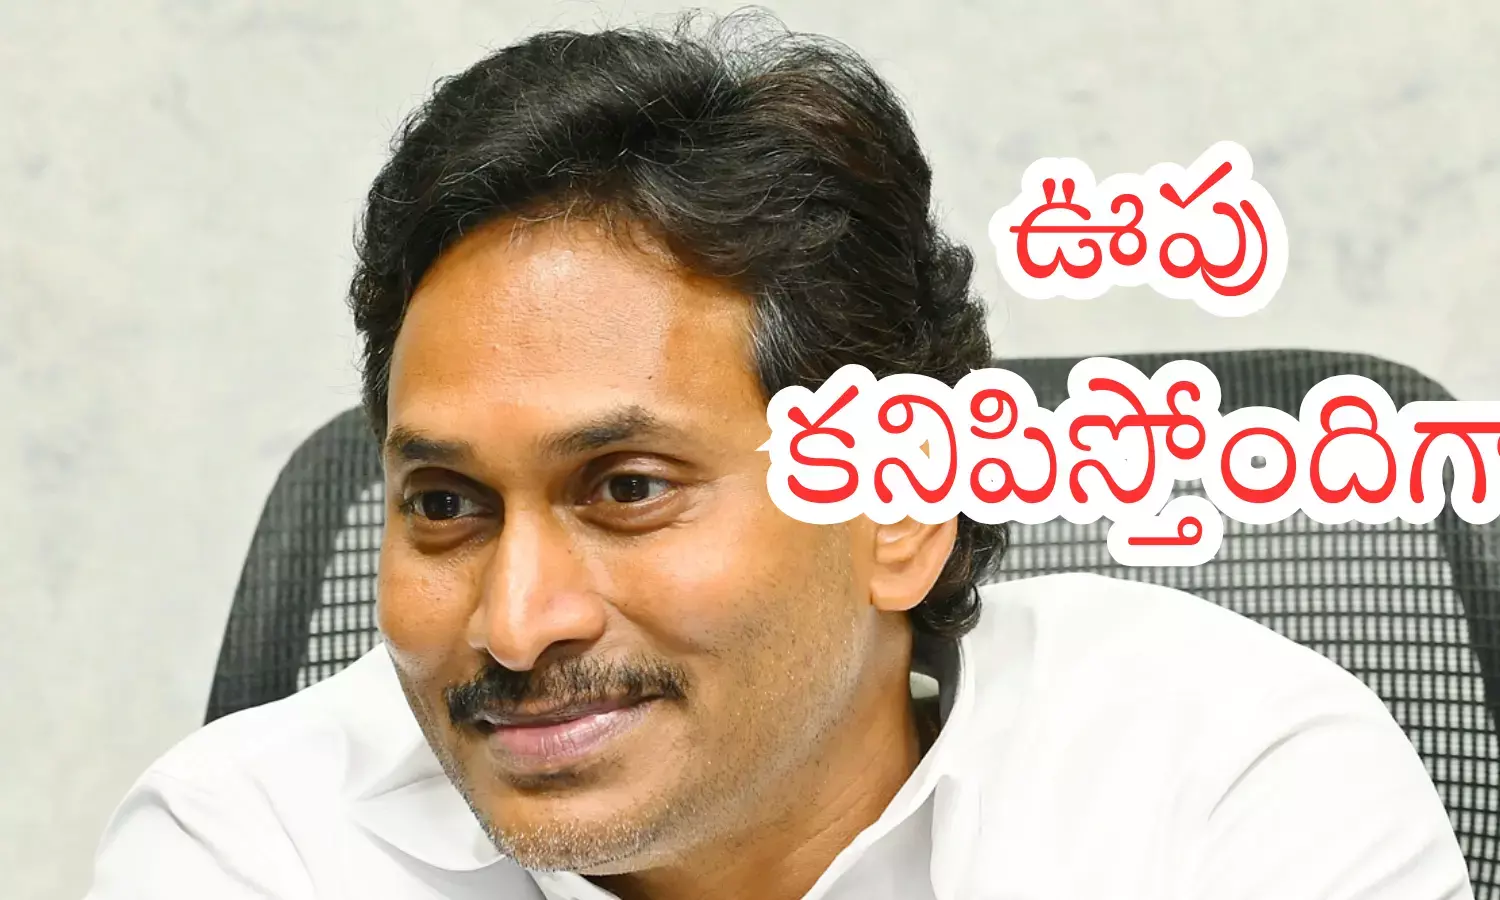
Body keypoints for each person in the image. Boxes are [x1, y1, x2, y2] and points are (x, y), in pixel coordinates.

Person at [85, 13, 1473, 900]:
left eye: (628, 489)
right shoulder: (252, 849)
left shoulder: (1224, 779)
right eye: (445, 504)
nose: (514, 624)